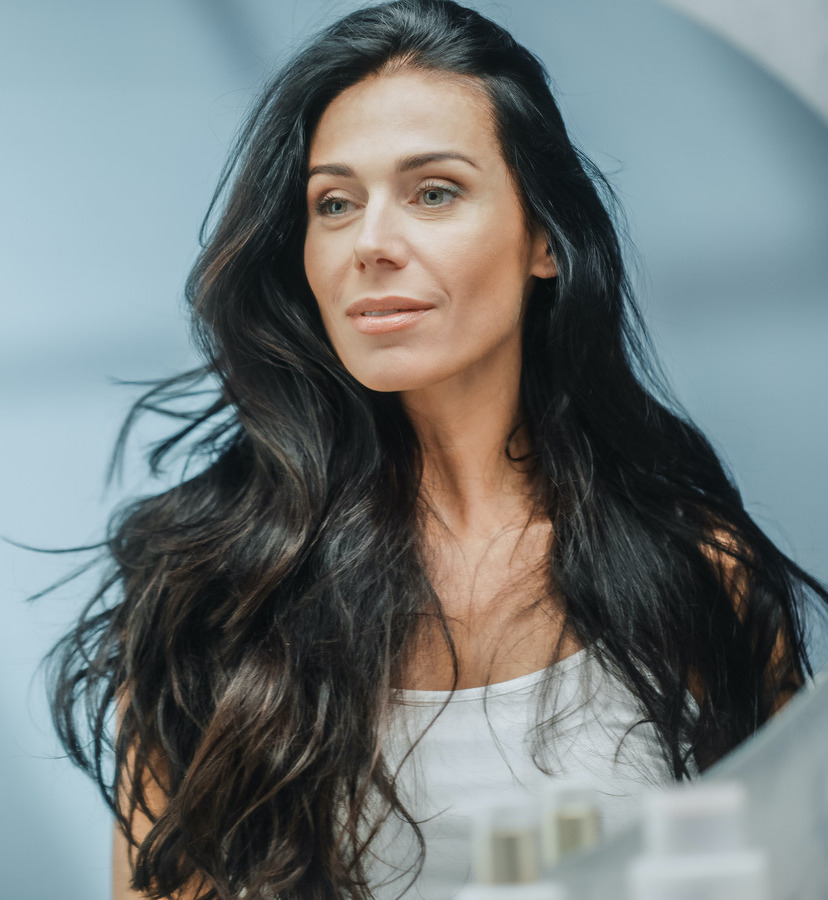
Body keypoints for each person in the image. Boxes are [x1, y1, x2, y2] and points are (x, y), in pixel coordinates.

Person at [47, 0, 827, 898]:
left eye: (434, 191)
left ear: (543, 238)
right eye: (333, 203)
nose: (370, 244)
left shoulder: (693, 567)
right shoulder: (212, 591)